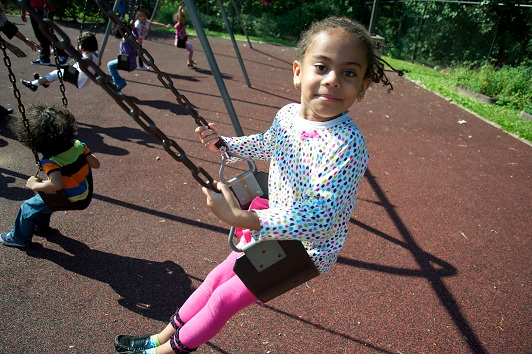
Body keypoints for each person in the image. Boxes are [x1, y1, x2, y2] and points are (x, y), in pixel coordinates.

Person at [112, 17, 398, 353]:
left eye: (349, 73)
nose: (333, 80)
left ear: (362, 87)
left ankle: (162, 353)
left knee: (224, 298)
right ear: (298, 72)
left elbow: (323, 217)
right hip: (270, 229)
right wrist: (228, 145)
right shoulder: (289, 115)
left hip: (304, 250)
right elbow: (269, 143)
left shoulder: (346, 145)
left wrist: (244, 219)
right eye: (321, 67)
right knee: (215, 281)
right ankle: (159, 337)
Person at [0, 103, 100, 248]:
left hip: (68, 197)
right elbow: (96, 164)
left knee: (27, 207)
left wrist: (34, 184)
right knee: (44, 203)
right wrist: (85, 153)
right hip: (83, 192)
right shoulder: (78, 145)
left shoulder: (51, 161)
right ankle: (41, 226)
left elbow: (56, 184)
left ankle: (19, 239)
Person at [20, 31, 100, 91]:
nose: (77, 46)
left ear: (84, 45)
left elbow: (84, 65)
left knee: (58, 72)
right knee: (59, 72)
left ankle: (34, 84)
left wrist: (78, 55)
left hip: (79, 79)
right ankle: (44, 81)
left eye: (79, 44)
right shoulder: (95, 55)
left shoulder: (88, 56)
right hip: (82, 78)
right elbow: (98, 64)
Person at [20, 0, 68, 66]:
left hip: (43, 9)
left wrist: (47, 9)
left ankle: (62, 54)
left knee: (47, 34)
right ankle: (44, 57)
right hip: (32, 9)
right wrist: (23, 12)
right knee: (39, 35)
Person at [107, 23, 138, 90]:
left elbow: (128, 52)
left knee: (110, 65)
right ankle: (118, 81)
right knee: (113, 65)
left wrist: (125, 43)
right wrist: (133, 29)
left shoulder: (126, 41)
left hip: (128, 63)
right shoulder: (131, 37)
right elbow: (136, 36)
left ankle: (119, 82)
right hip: (130, 62)